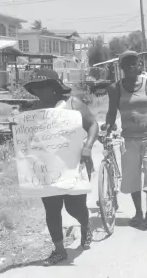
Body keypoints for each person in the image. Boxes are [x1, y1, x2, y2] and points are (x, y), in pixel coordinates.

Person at [22, 69, 99, 266]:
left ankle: (85, 223)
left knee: (75, 207)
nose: (39, 90)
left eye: (43, 86)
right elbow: (28, 140)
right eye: (35, 87)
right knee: (52, 209)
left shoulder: (72, 104)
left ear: (55, 87)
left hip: (74, 165)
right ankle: (59, 250)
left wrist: (88, 147)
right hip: (47, 170)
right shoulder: (33, 111)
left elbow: (93, 125)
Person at [103, 50, 147, 231]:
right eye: (128, 64)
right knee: (132, 178)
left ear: (140, 65)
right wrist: (108, 128)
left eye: (135, 63)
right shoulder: (115, 88)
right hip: (128, 140)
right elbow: (111, 112)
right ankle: (138, 213)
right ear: (122, 67)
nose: (133, 67)